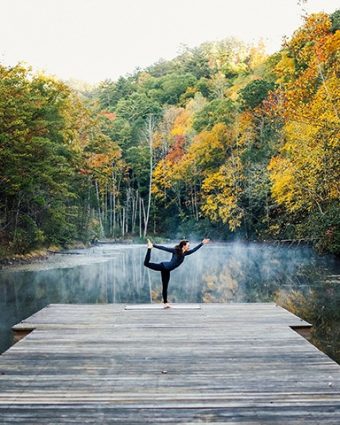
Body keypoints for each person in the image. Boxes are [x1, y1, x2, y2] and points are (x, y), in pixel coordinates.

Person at [144, 238, 210, 308]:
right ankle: (149, 248)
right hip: (163, 266)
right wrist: (153, 245)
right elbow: (164, 248)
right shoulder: (175, 251)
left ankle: (165, 303)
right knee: (146, 263)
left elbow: (194, 250)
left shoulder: (185, 253)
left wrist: (202, 243)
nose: (189, 247)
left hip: (167, 270)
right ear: (184, 246)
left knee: (165, 286)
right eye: (188, 245)